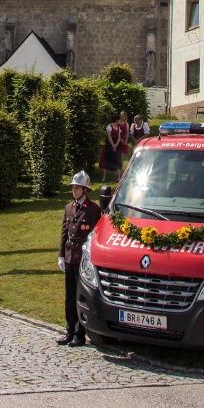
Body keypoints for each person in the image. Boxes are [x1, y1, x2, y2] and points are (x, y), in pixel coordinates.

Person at [57, 171, 102, 347]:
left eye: (77, 188)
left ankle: (79, 334)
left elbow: (93, 236)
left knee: (79, 296)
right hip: (69, 256)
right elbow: (64, 233)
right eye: (73, 188)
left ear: (85, 190)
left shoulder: (93, 210)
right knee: (69, 296)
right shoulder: (69, 208)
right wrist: (61, 255)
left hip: (82, 258)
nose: (74, 191)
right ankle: (69, 330)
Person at [99, 113, 122, 182]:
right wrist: (113, 145)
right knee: (107, 159)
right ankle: (104, 177)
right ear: (117, 120)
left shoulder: (118, 127)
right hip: (110, 144)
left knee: (118, 159)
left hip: (116, 144)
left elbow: (119, 137)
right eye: (119, 119)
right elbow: (109, 136)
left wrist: (116, 144)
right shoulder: (110, 126)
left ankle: (118, 177)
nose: (120, 121)